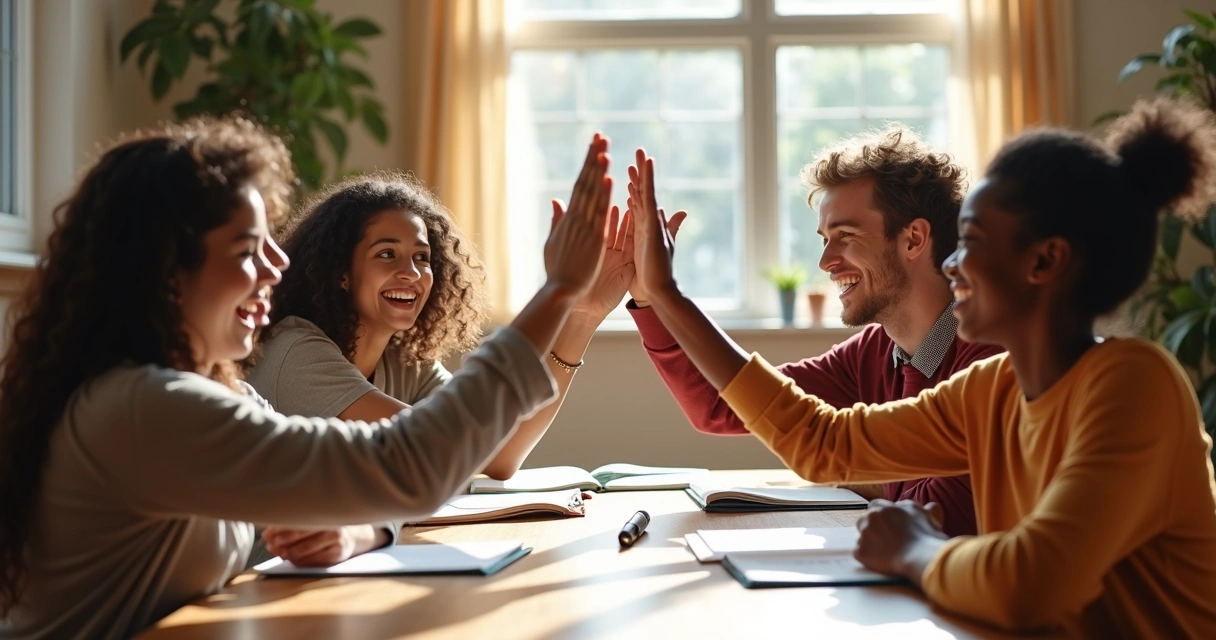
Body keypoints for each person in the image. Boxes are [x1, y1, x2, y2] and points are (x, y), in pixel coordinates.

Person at [0, 120, 616, 639]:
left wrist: (361, 527)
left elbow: (373, 481)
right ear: (166, 272)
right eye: (247, 249)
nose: (276, 265)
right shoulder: (147, 406)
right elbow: (406, 465)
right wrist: (559, 294)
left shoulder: (218, 390)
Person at [626, 99, 1216, 636]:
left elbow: (1031, 582)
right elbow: (821, 442)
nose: (952, 263)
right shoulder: (991, 389)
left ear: (1045, 261)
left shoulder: (1133, 382)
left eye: (973, 240)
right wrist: (666, 295)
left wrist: (914, 548)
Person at [243, 171, 638, 566]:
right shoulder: (296, 351)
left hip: (339, 570)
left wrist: (583, 317)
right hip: (260, 583)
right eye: (386, 254)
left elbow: (498, 456)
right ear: (340, 273)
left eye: (422, 257)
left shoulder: (403, 361)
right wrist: (558, 291)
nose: (411, 273)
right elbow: (437, 449)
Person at [624, 127, 1000, 536]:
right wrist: (650, 301)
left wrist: (669, 293)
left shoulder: (992, 357)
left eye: (845, 236)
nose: (825, 261)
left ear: (913, 239)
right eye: (825, 239)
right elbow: (719, 406)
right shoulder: (873, 352)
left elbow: (936, 518)